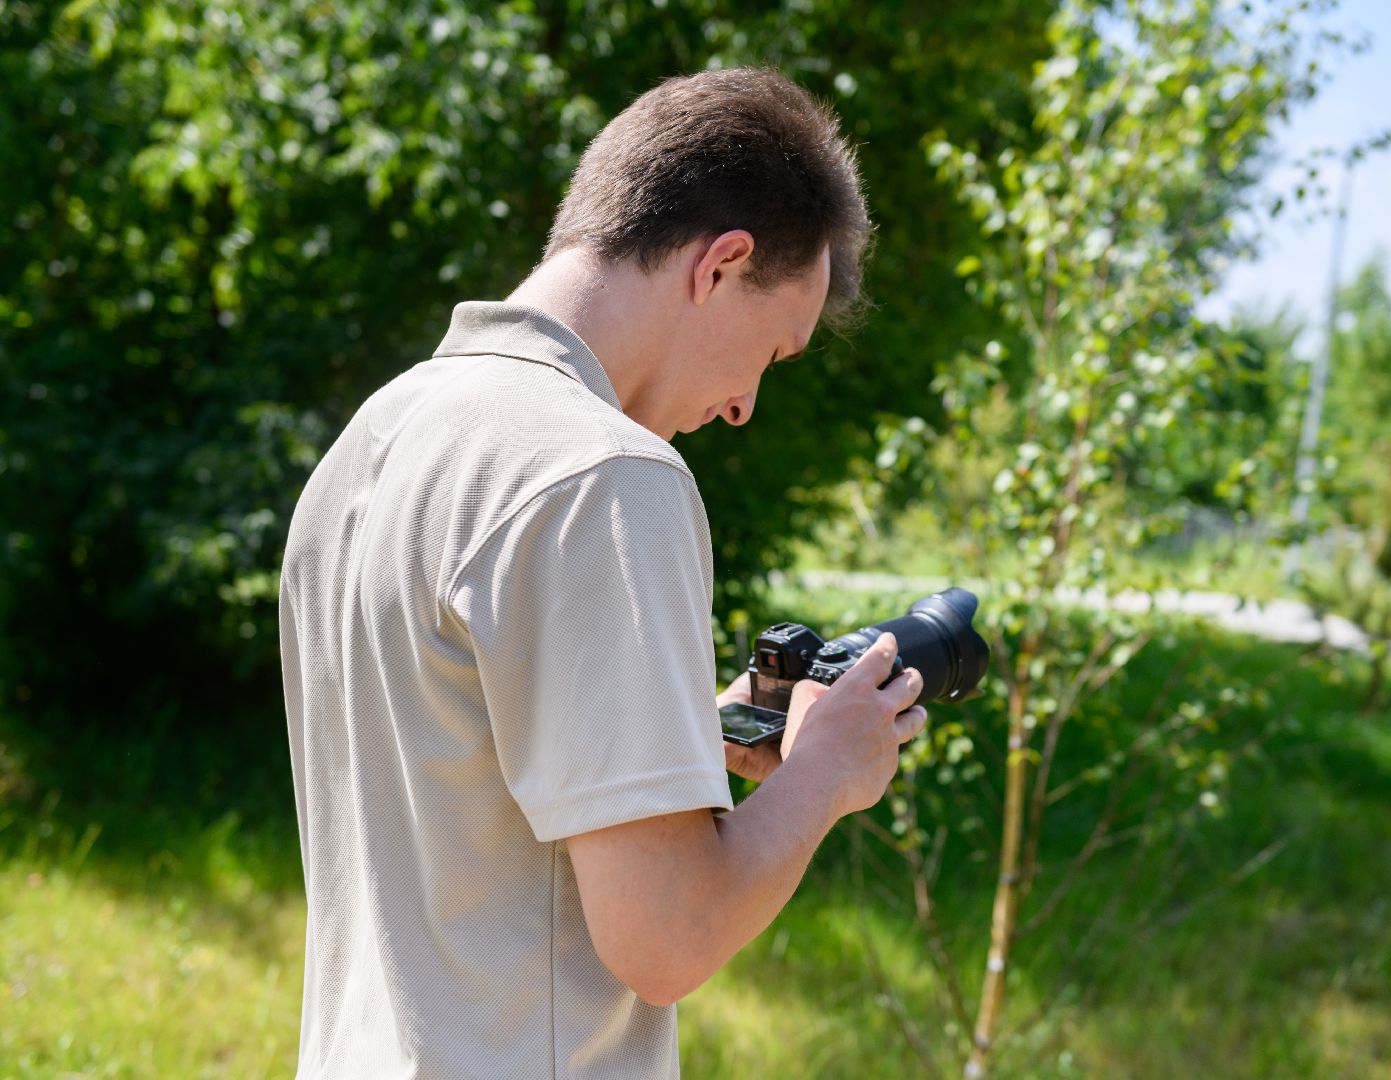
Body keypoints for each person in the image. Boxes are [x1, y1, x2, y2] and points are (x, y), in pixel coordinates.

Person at [278, 67, 927, 1078]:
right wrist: (821, 774)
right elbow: (667, 937)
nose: (744, 406)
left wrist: (686, 735)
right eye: (771, 353)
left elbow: (459, 782)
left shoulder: (377, 437)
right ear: (722, 264)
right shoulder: (606, 474)